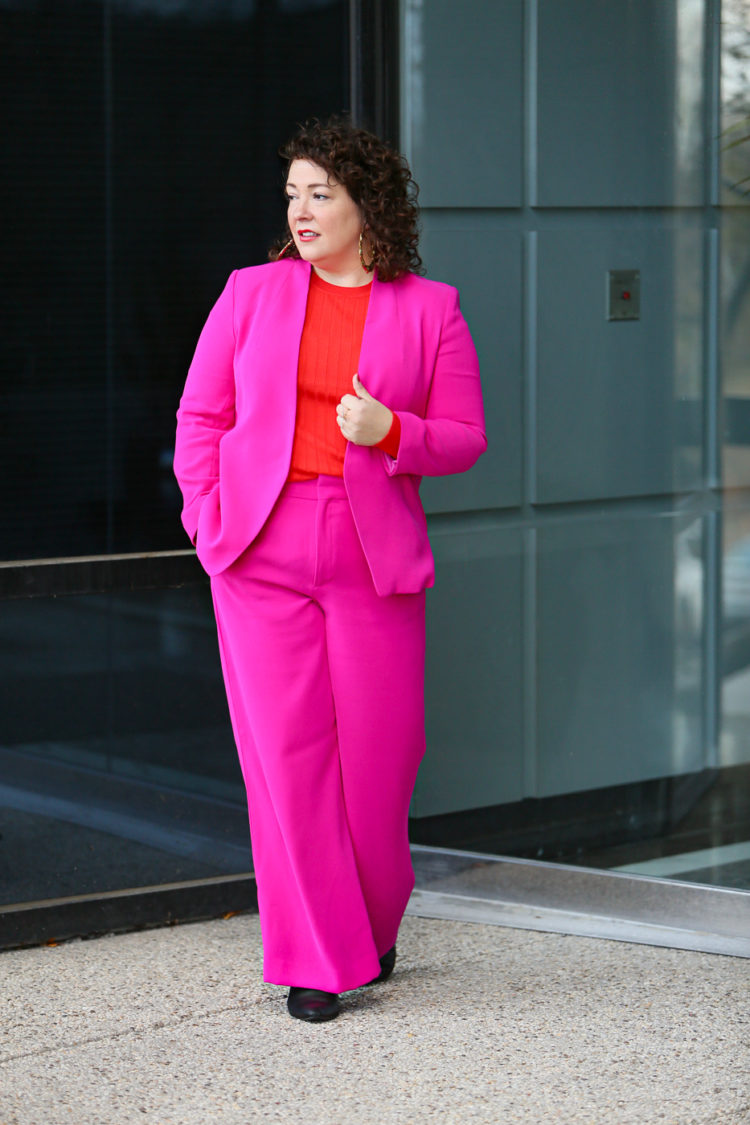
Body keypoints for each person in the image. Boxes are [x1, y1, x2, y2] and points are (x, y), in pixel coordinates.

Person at [173, 117, 486, 1023]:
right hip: (260, 550)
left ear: (367, 207)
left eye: (321, 194)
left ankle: (373, 920)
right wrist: (207, 521)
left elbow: (465, 439)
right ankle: (316, 957)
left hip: (369, 554)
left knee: (382, 764)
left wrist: (390, 430)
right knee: (289, 759)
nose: (300, 211)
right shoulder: (251, 293)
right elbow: (201, 418)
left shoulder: (432, 309)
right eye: (292, 195)